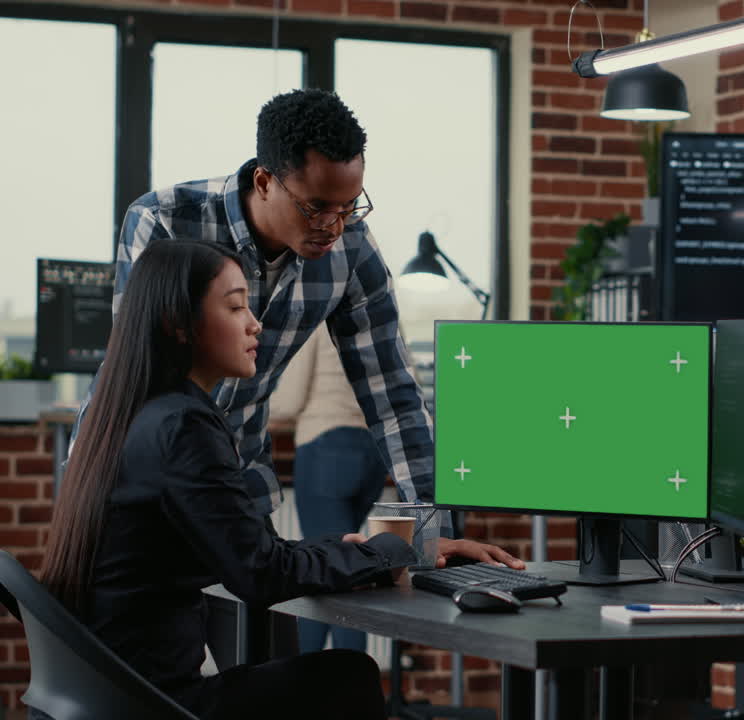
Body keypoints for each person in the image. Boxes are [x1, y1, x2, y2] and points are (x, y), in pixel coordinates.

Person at [75, 88, 520, 568]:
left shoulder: (351, 249)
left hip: (237, 482)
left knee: (269, 636)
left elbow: (394, 397)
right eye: (316, 207)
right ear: (264, 181)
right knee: (136, 637)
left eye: (349, 206)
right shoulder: (166, 220)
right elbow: (148, 373)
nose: (333, 225)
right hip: (135, 482)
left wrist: (433, 532)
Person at [43, 240, 414, 719]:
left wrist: (355, 553)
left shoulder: (122, 416)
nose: (255, 323)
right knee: (350, 674)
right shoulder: (183, 426)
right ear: (178, 324)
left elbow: (251, 551)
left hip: (103, 697)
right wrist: (382, 552)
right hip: (156, 705)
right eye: (235, 306)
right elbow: (261, 574)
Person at [273, 330, 388, 654]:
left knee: (323, 579)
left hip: (327, 452)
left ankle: (308, 692)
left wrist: (239, 416)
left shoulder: (317, 319)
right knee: (338, 577)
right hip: (371, 454)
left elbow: (290, 401)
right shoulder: (376, 319)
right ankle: (331, 689)